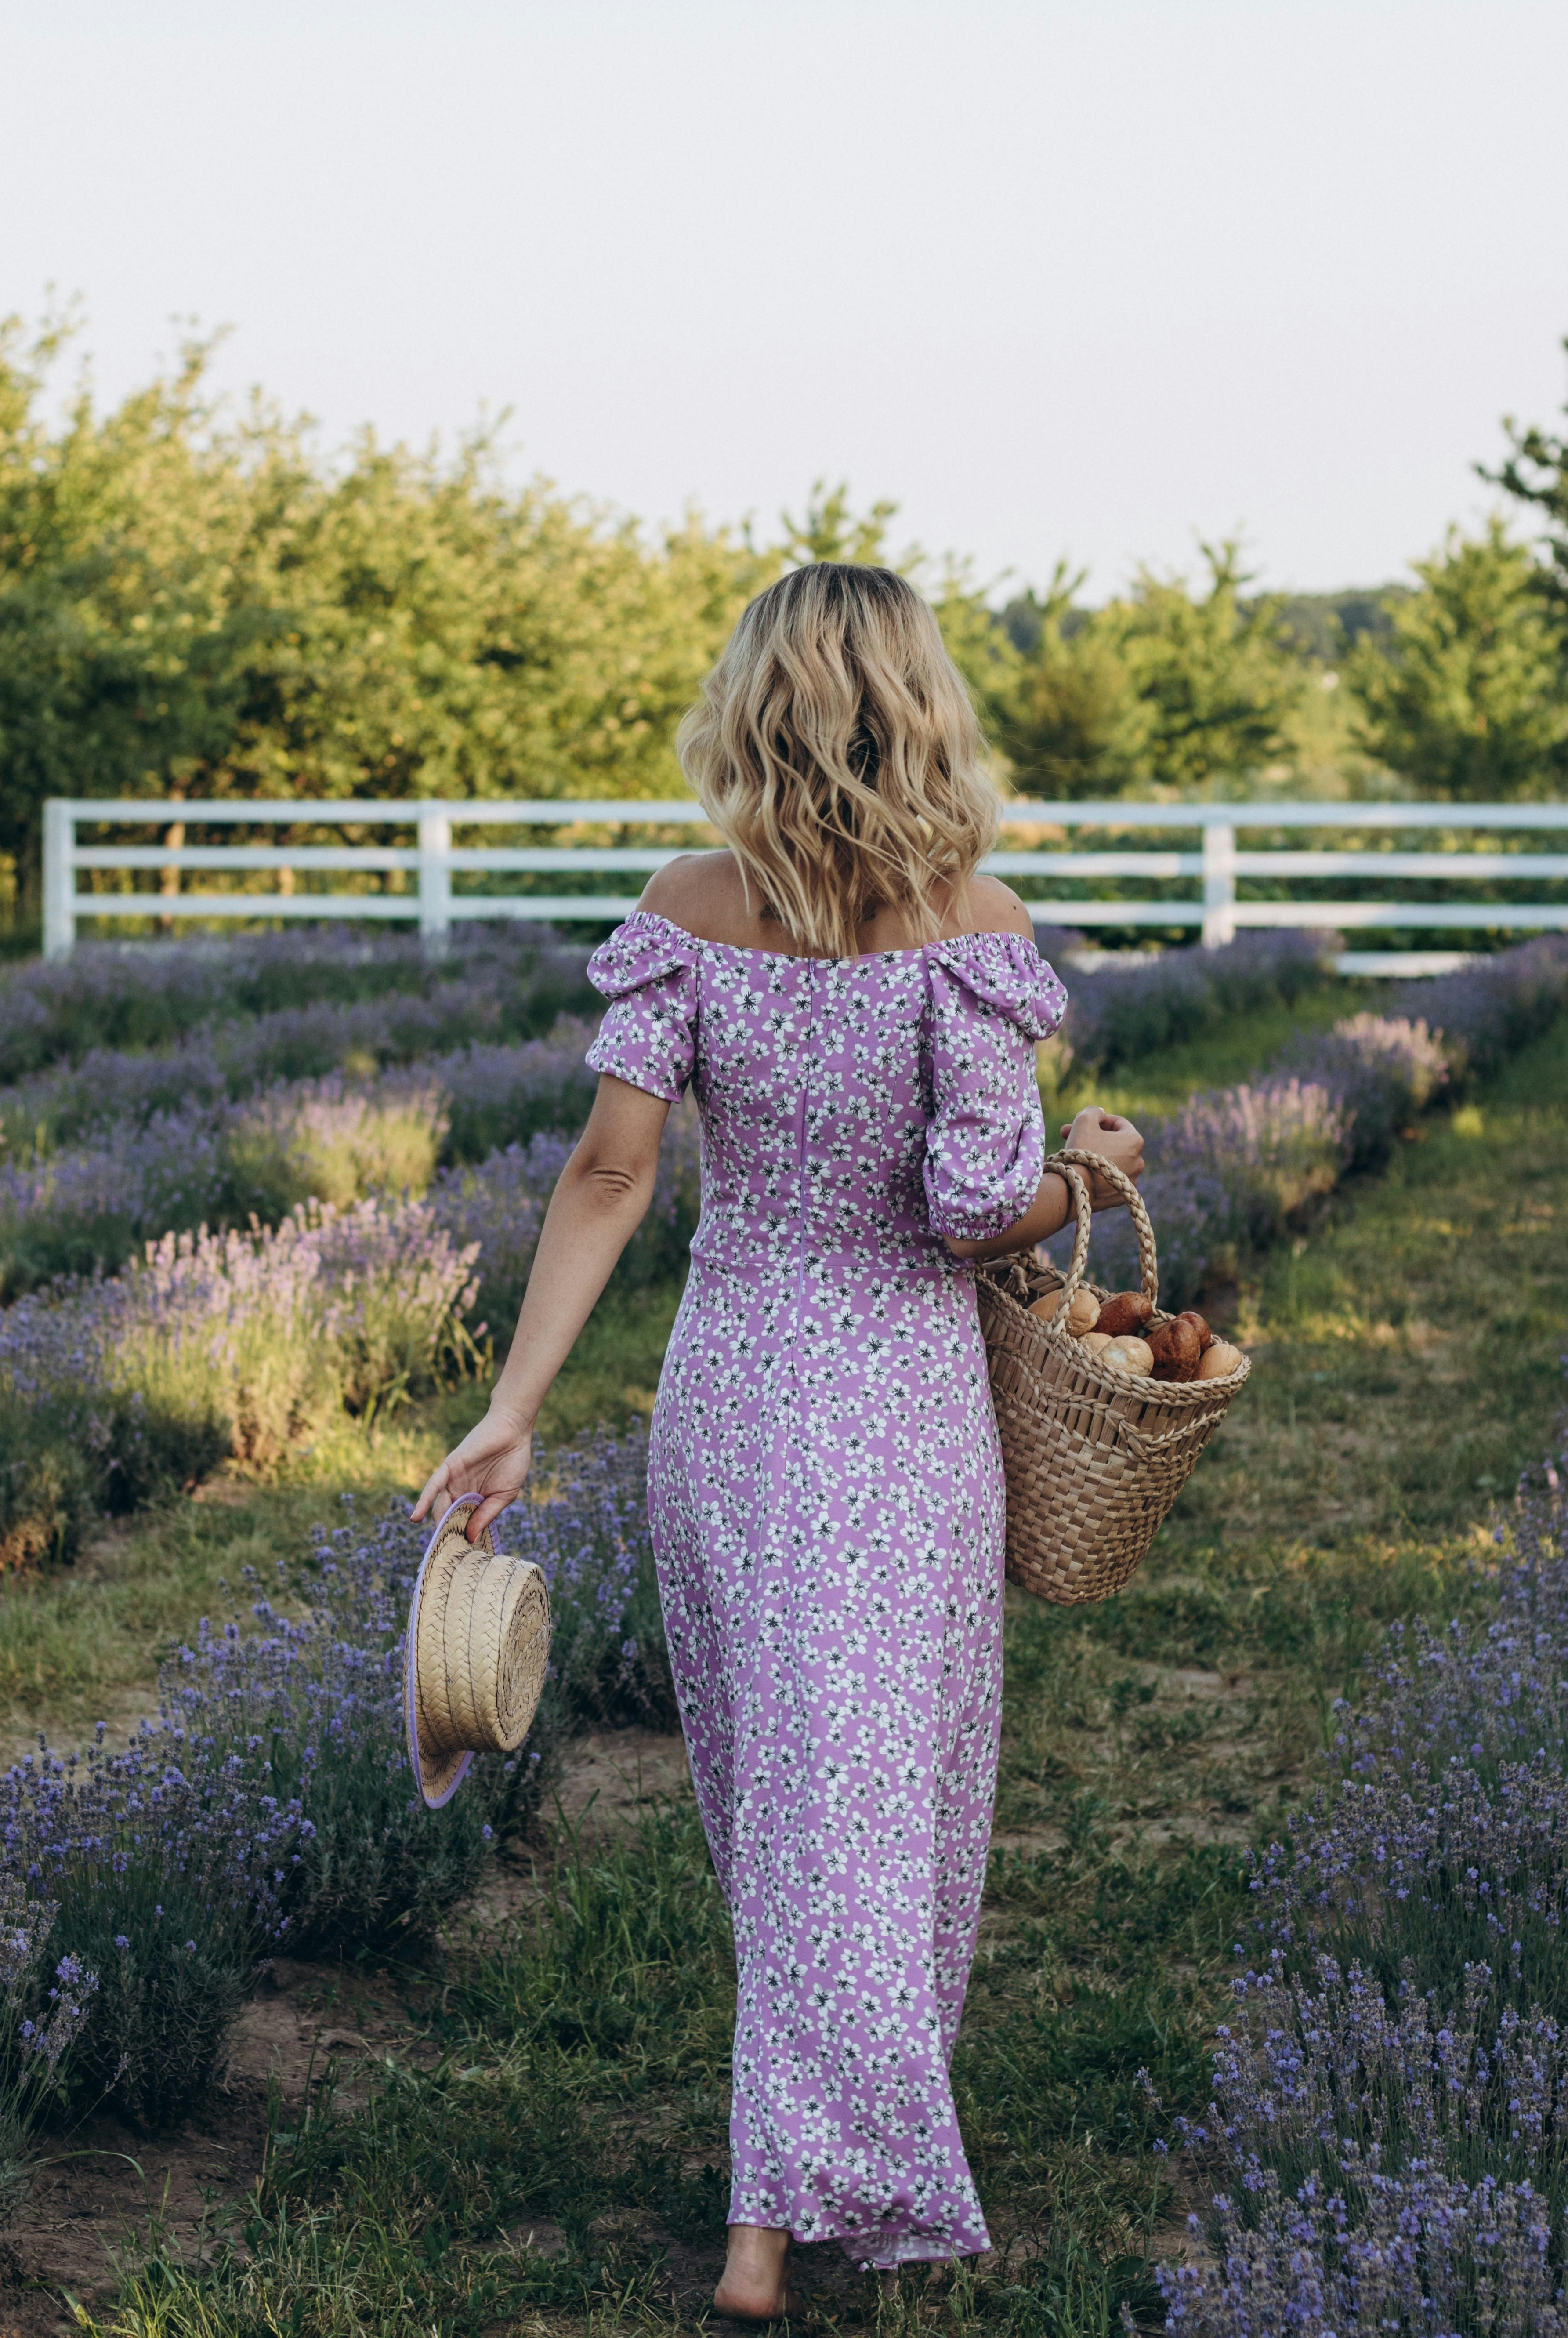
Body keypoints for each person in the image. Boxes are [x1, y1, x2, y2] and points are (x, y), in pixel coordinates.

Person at [413, 563, 1145, 2316]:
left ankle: (787, 2194)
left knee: (786, 1809)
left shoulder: (685, 909)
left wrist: (514, 1412)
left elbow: (607, 1176)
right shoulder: (975, 922)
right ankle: (786, 2209)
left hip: (733, 1398)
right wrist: (1092, 1172)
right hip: (899, 1413)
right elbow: (977, 1213)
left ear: (751, 707)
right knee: (877, 1808)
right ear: (921, 711)